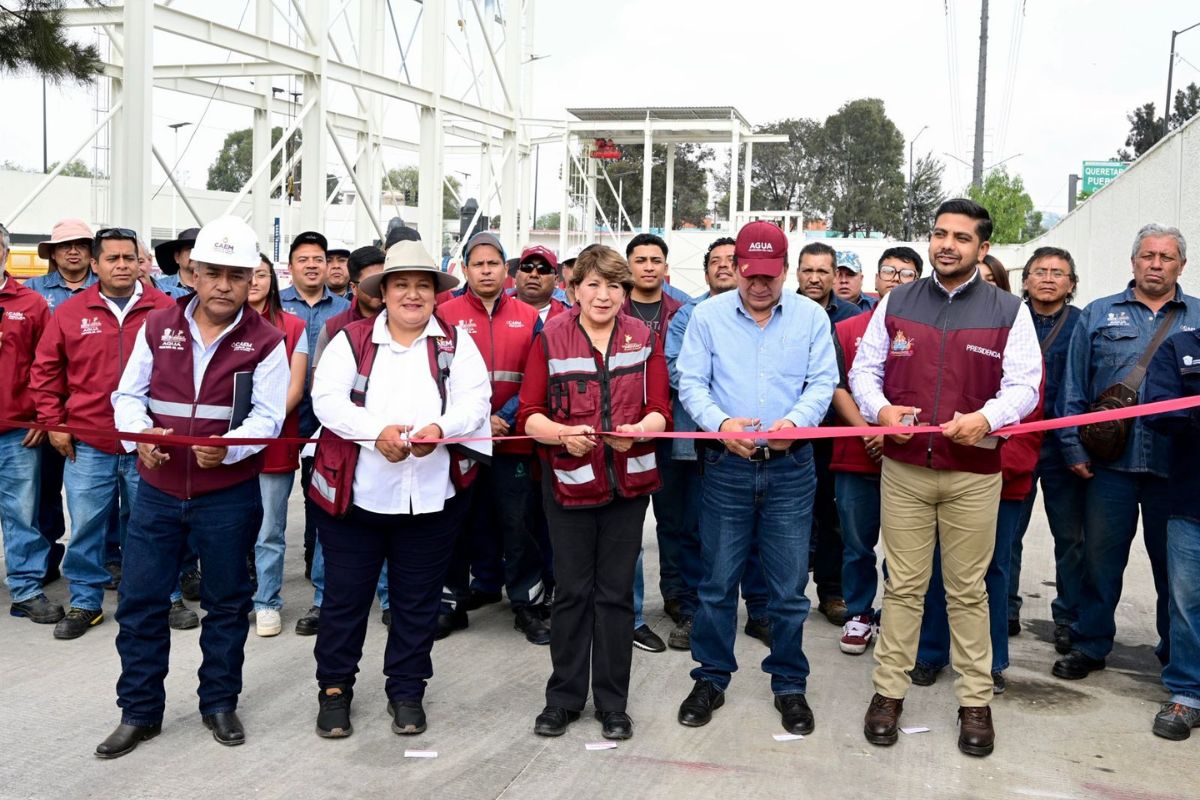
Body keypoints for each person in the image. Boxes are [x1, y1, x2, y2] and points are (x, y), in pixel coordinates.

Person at [849, 198, 1041, 757]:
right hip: (905, 470)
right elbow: (866, 370)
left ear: (983, 249)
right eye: (939, 234)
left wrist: (987, 418)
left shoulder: (1009, 310)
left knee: (967, 592)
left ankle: (975, 702)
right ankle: (888, 694)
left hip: (975, 472)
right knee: (903, 586)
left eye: (960, 237)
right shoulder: (897, 301)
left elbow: (1025, 386)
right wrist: (881, 411)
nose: (946, 245)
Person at [97, 216, 288, 759]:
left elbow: (270, 417)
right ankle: (139, 712)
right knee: (140, 602)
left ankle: (219, 703)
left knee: (227, 603)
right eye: (214, 273)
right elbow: (127, 396)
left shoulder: (267, 340)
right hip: (156, 491)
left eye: (237, 274)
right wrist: (141, 438)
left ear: (252, 277)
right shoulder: (157, 327)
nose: (224, 285)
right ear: (193, 273)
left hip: (227, 494)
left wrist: (229, 446)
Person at [307, 240, 490, 739]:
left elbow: (476, 401)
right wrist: (375, 434)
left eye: (423, 286)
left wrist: (441, 429)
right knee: (345, 601)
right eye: (401, 285)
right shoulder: (351, 339)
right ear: (382, 292)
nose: (413, 294)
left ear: (436, 294)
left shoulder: (456, 342)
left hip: (430, 498)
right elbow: (326, 399)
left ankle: (407, 691)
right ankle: (334, 691)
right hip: (357, 498)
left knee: (417, 602)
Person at [676, 221, 838, 735]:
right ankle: (711, 677)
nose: (760, 284)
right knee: (718, 583)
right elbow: (691, 382)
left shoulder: (811, 318)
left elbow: (822, 381)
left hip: (791, 470)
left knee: (788, 589)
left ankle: (789, 684)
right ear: (737, 265)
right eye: (751, 273)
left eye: (770, 275)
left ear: (785, 270)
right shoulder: (707, 317)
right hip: (727, 468)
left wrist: (797, 424)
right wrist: (721, 425)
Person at [520, 245, 670, 740]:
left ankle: (613, 703)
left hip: (629, 487)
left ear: (625, 292)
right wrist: (561, 434)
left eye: (614, 286)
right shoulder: (550, 338)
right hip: (569, 486)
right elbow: (530, 414)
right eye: (594, 285)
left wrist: (641, 431)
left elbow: (660, 409)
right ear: (574, 290)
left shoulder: (643, 337)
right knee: (572, 594)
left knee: (614, 596)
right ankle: (562, 698)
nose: (604, 295)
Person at [1053, 223, 1199, 681]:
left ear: (1182, 265)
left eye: (1167, 257)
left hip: (1175, 469)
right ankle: (1091, 643)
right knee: (1100, 560)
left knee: (1174, 571)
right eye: (1148, 256)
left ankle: (1175, 652)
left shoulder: (1199, 318)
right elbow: (1074, 386)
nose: (1156, 264)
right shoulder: (1098, 314)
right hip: (1108, 467)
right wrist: (1073, 445)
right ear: (1133, 261)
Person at [30, 227, 174, 640]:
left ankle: (156, 599)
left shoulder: (165, 310)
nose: (122, 266)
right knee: (88, 525)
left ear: (140, 262)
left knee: (148, 525)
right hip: (88, 443)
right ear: (96, 265)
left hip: (146, 442)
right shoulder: (71, 313)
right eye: (112, 258)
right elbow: (45, 371)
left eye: (129, 258)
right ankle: (86, 601)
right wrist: (54, 422)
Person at [438, 232, 549, 645]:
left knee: (519, 524)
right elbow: (438, 376)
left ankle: (527, 605)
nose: (486, 270)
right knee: (453, 522)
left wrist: (501, 417)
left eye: (493, 263)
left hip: (512, 439)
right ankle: (449, 604)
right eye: (478, 264)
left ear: (507, 270)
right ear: (465, 270)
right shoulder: (443, 314)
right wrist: (478, 420)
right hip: (461, 439)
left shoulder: (528, 316)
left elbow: (538, 376)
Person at [662, 236, 769, 651]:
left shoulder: (773, 316)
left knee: (757, 533)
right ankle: (691, 613)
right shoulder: (689, 316)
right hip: (700, 447)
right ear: (705, 270)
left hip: (757, 443)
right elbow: (677, 371)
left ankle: (759, 612)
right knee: (694, 532)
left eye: (732, 261)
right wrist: (723, 415)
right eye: (716, 262)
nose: (724, 267)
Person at [831, 246, 923, 656]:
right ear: (875, 279)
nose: (896, 279)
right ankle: (859, 612)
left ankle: (897, 615)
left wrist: (893, 433)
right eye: (889, 271)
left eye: (907, 274)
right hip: (856, 453)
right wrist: (870, 430)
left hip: (911, 455)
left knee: (905, 546)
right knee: (856, 540)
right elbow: (837, 386)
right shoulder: (849, 329)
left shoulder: (928, 329)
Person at [304, 246, 393, 632]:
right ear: (355, 286)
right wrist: (365, 427)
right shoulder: (335, 328)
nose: (383, 289)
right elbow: (323, 391)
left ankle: (391, 599)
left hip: (395, 446)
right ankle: (324, 601)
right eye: (374, 282)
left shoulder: (416, 325)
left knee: (394, 523)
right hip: (341, 444)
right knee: (333, 522)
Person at [1007, 247, 1084, 651]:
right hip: (1015, 441)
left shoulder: (1083, 324)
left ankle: (1069, 616)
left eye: (1059, 272)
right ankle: (1005, 609)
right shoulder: (1009, 316)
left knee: (1070, 536)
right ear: (1026, 280)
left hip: (1062, 447)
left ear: (1071, 283)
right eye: (1040, 271)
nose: (1048, 278)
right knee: (1008, 533)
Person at [25, 218, 98, 583]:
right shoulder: (33, 291)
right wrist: (43, 415)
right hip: (48, 408)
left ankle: (109, 558)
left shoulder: (109, 289)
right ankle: (47, 557)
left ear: (91, 252)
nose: (72, 251)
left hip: (94, 410)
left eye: (81, 244)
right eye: (64, 246)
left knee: (102, 493)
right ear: (52, 253)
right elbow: (28, 360)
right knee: (44, 489)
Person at [623, 232, 686, 653]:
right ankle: (631, 613)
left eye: (655, 260)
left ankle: (680, 600)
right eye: (641, 259)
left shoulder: (685, 309)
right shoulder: (609, 304)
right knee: (628, 531)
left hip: (671, 430)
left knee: (677, 523)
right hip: (624, 435)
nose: (648, 266)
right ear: (629, 266)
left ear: (666, 266)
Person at [279, 231, 350, 593]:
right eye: (303, 259)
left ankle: (314, 555)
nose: (311, 265)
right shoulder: (275, 304)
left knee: (318, 486)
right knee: (270, 493)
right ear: (290, 266)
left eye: (318, 259)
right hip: (282, 412)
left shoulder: (344, 310)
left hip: (325, 416)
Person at [798, 242, 862, 625]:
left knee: (833, 516)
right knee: (791, 518)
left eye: (823, 271)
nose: (815, 278)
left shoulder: (854, 317)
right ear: (797, 272)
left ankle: (832, 592)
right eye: (808, 270)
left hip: (837, 434)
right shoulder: (781, 311)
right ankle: (784, 596)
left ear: (834, 274)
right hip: (793, 432)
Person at [245, 254, 308, 637]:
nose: (253, 281)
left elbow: (295, 389)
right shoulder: (223, 322)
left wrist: (257, 429)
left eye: (261, 274)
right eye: (246, 274)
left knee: (269, 528)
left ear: (273, 280)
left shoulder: (294, 326)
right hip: (227, 443)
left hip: (273, 440)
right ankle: (233, 598)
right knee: (228, 527)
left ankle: (267, 601)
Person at [0, 222, 59, 624]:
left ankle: (24, 589)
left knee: (21, 513)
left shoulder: (31, 303)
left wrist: (43, 414)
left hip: (16, 431)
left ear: (4, 252)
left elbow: (48, 365)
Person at [1145, 325, 1200, 740]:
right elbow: (1160, 410)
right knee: (1187, 601)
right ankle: (1187, 692)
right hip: (1190, 499)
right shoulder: (1181, 346)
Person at [513, 245, 569, 322]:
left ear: (556, 280)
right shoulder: (495, 309)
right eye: (527, 267)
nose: (534, 274)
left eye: (543, 269)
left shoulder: (568, 320)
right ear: (516, 275)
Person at [152, 228, 200, 299]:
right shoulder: (160, 287)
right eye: (190, 249)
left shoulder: (214, 286)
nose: (196, 254)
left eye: (200, 250)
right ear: (177, 257)